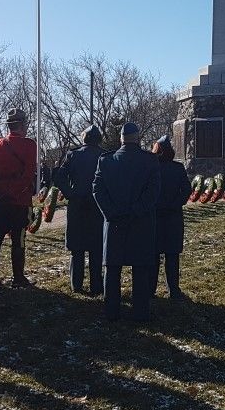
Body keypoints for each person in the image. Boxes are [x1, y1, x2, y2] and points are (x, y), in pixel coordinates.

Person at [93, 122, 160, 322]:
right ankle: (140, 312)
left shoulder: (106, 160)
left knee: (112, 270)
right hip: (140, 223)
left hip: (114, 223)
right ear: (138, 138)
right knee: (140, 270)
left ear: (121, 138)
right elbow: (153, 192)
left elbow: (97, 190)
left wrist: (111, 213)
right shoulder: (150, 161)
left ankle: (111, 312)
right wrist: (136, 211)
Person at [0, 108, 37, 287]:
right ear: (22, 125)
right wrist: (16, 192)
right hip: (19, 201)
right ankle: (18, 277)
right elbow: (28, 174)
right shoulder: (29, 145)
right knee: (18, 239)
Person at [55, 125, 106, 295]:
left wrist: (70, 193)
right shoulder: (104, 156)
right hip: (97, 206)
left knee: (77, 248)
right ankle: (96, 285)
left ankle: (76, 284)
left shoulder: (73, 155)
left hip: (77, 204)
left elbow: (60, 177)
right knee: (96, 248)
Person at [151, 135, 192, 300]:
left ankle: (150, 289)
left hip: (154, 217)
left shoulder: (152, 168)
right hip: (173, 217)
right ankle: (173, 290)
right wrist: (176, 204)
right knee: (172, 256)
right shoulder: (178, 168)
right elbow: (186, 190)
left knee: (153, 256)